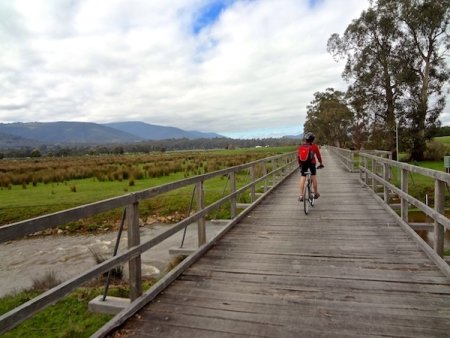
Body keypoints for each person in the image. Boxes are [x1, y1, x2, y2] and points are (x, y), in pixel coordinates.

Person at [298, 132, 324, 201]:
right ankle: (315, 193)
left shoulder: (302, 146)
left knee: (303, 176)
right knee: (313, 176)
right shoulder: (314, 146)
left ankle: (301, 195)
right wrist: (321, 163)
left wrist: (300, 164)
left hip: (303, 163)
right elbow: (318, 156)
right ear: (313, 140)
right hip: (312, 163)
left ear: (306, 139)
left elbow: (299, 156)